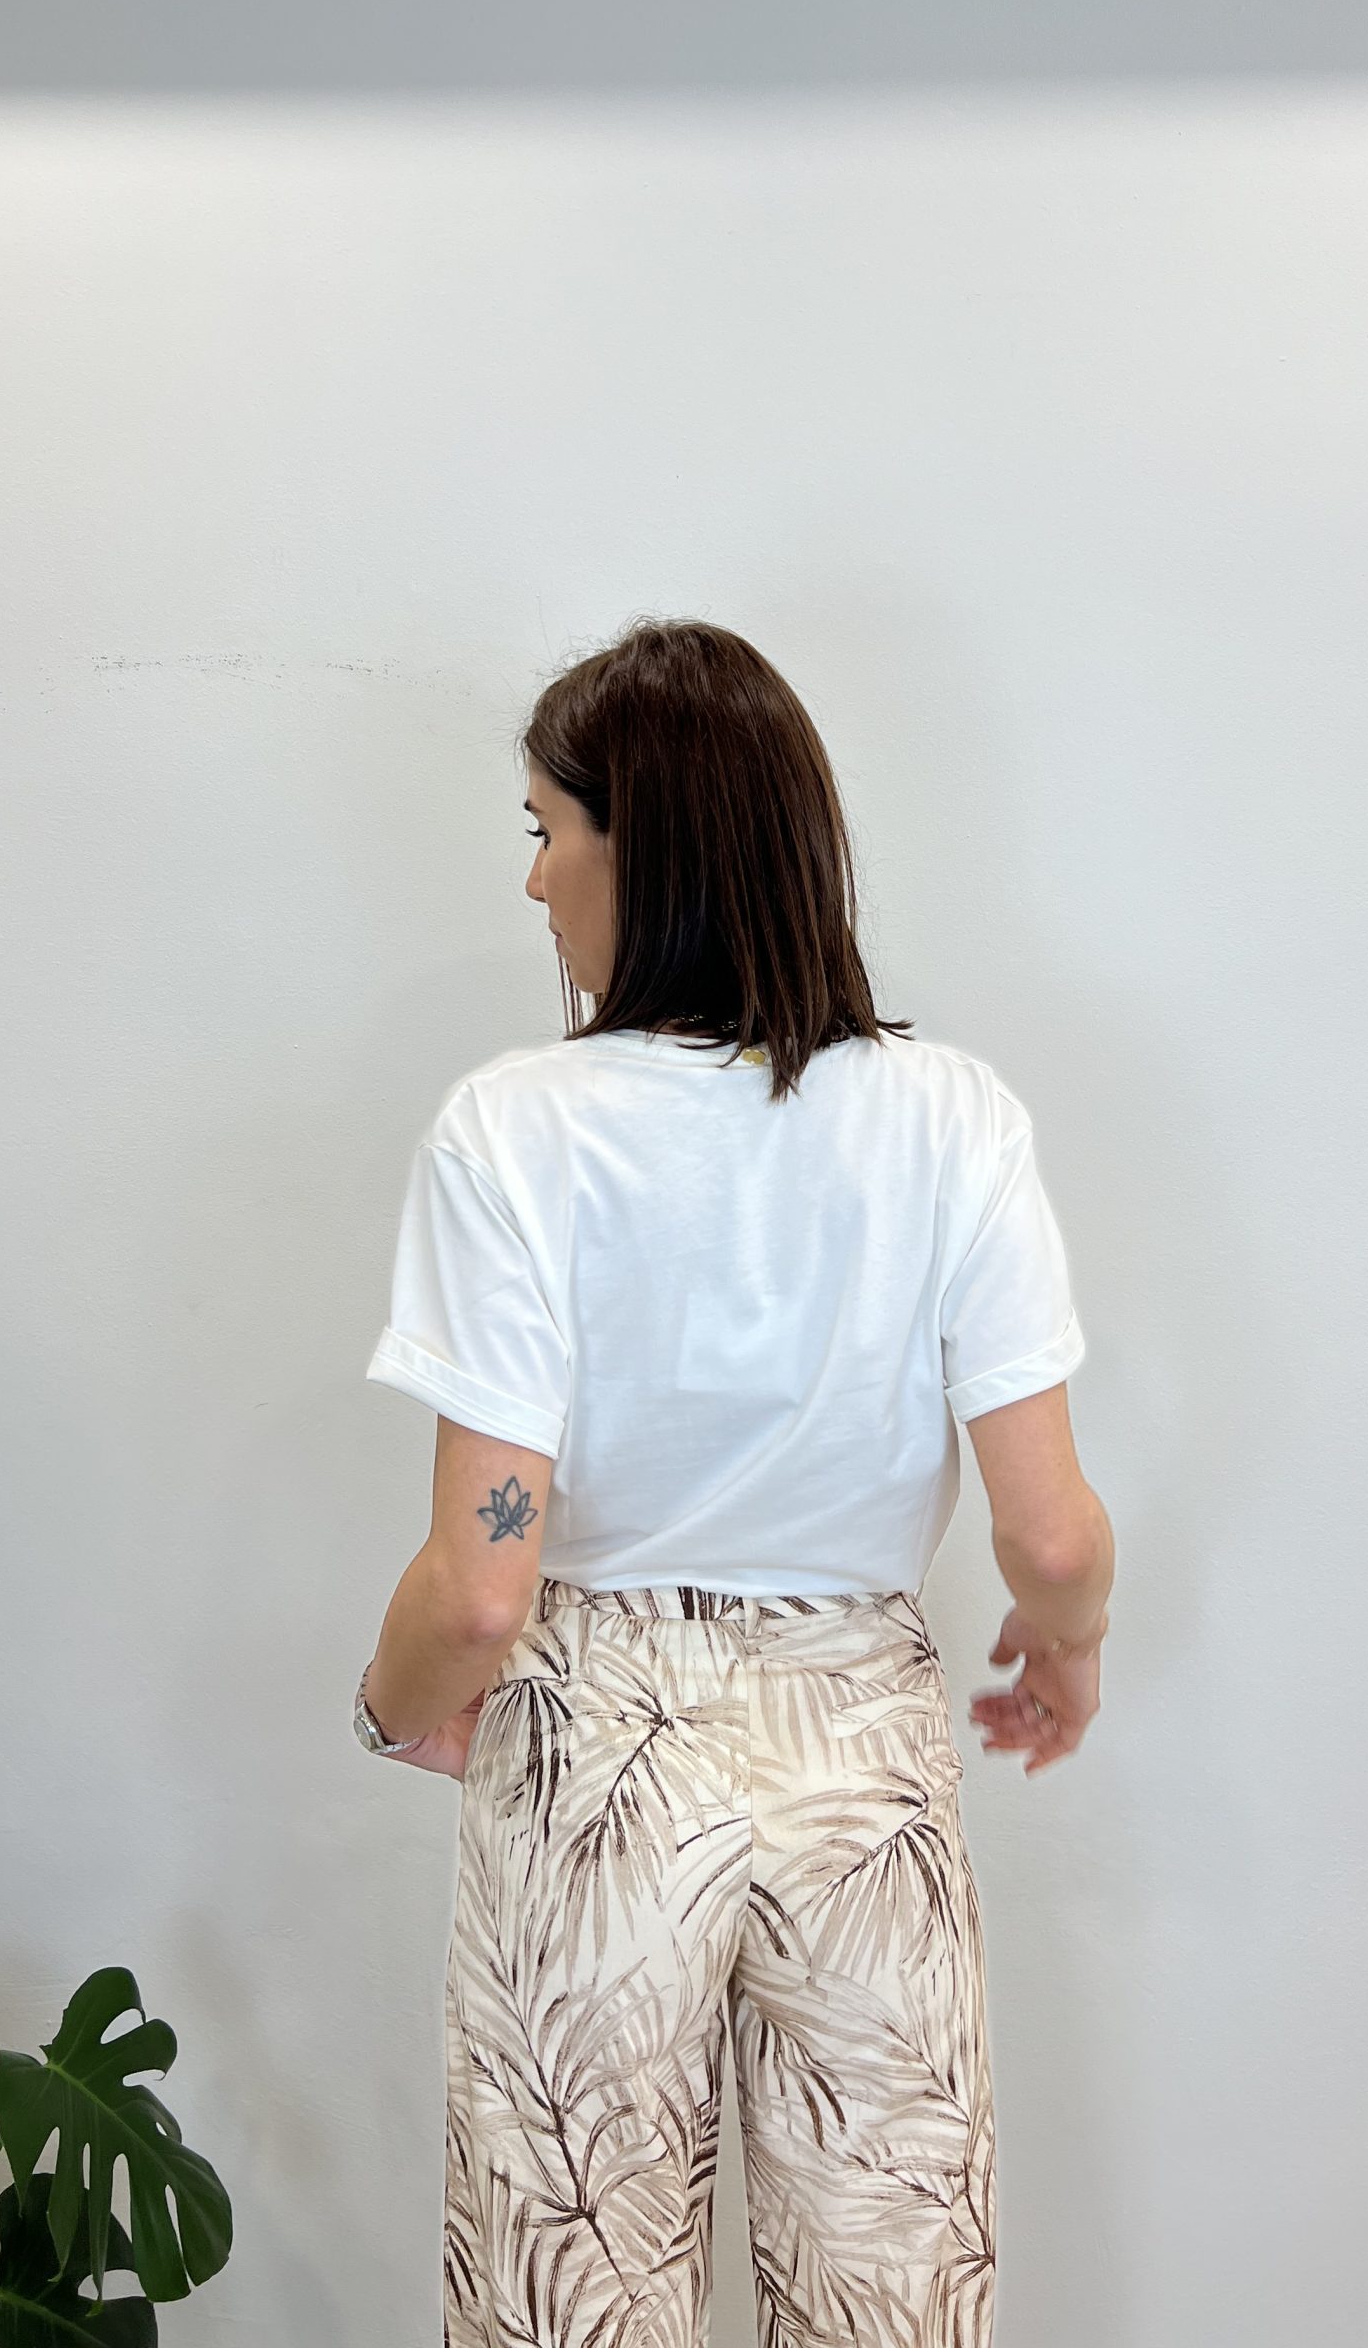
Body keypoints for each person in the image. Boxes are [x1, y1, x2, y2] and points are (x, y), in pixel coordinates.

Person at [354, 614, 1115, 2348]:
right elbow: (1052, 1536)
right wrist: (1064, 1648)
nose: (534, 881)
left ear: (651, 850)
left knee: (569, 2302)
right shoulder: (954, 1120)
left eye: (549, 829)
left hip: (598, 1753)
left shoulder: (515, 1132)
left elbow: (482, 1578)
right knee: (887, 2307)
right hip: (863, 1756)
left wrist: (395, 1707)